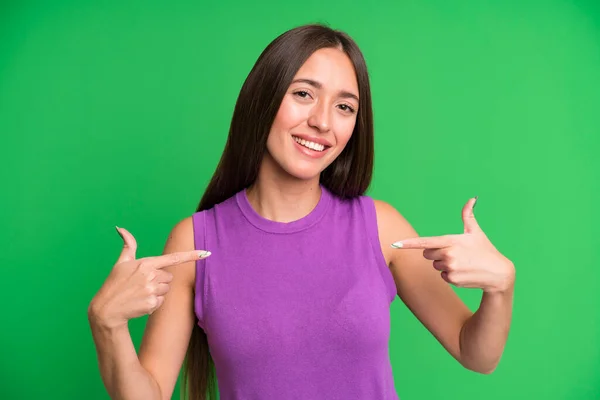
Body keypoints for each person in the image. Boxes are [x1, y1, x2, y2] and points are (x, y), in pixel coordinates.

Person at [87, 23, 515, 400]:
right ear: (264, 98)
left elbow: (473, 352)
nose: (323, 122)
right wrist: (107, 325)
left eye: (344, 106)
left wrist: (501, 288)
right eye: (304, 94)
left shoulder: (381, 227)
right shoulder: (195, 242)